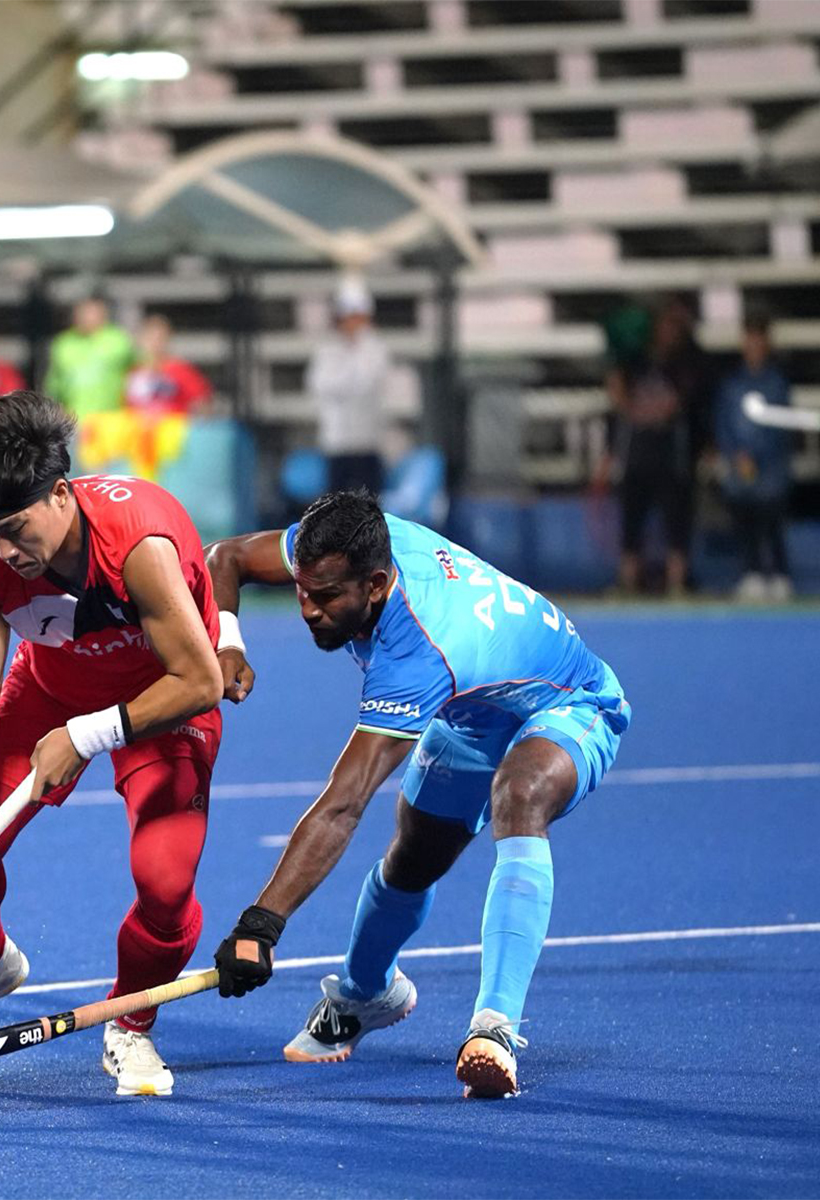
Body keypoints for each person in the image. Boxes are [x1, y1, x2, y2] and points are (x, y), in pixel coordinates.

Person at [205, 490, 630, 1098]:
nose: (308, 609)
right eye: (301, 588)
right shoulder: (344, 540)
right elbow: (223, 558)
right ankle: (364, 994)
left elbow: (345, 803)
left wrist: (262, 924)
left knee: (520, 794)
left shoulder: (418, 651)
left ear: (376, 585)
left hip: (570, 702)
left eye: (326, 598)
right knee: (413, 859)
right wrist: (228, 643)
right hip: (472, 711)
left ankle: (494, 1028)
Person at [0, 391, 226, 1097]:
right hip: (49, 693)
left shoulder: (138, 546)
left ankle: (129, 1026)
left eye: (16, 527)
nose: (8, 549)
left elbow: (202, 678)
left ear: (62, 493)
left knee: (166, 882)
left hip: (163, 700)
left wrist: (88, 733)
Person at [611, 300, 709, 597]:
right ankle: (628, 582)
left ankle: (677, 582)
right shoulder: (637, 360)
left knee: (676, 522)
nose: (667, 331)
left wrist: (643, 411)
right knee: (631, 522)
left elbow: (675, 405)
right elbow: (619, 396)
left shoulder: (687, 362)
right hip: (637, 455)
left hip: (672, 458)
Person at [715, 314, 794, 603]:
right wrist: (736, 454)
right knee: (744, 522)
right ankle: (751, 573)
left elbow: (782, 424)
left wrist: (759, 457)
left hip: (770, 469)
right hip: (740, 467)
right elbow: (723, 422)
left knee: (772, 522)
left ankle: (780, 575)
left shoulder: (776, 383)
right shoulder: (732, 383)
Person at [307, 278, 389, 496]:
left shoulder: (375, 348)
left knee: (371, 508)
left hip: (368, 442)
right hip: (337, 444)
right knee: (336, 509)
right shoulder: (327, 350)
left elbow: (368, 383)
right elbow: (324, 385)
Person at [122, 313, 211, 479]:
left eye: (160, 338)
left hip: (171, 448)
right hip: (138, 448)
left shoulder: (180, 369)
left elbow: (202, 401)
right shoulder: (132, 372)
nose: (155, 343)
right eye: (150, 338)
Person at [44, 297, 135, 420]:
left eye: (92, 313)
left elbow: (138, 370)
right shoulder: (63, 344)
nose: (87, 317)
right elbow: (54, 385)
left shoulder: (118, 340)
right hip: (74, 420)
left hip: (110, 421)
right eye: (83, 313)